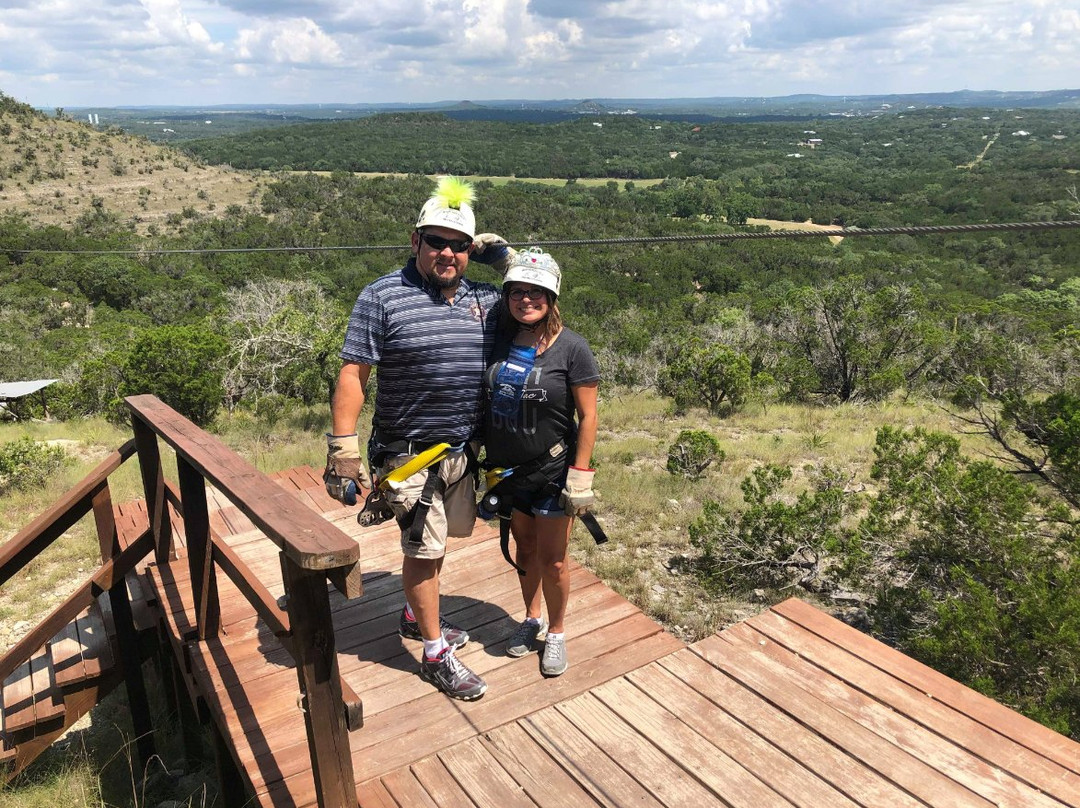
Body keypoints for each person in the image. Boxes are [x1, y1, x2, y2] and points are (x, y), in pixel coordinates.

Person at [324, 176, 512, 701]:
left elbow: (533, 312)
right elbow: (353, 374)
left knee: (439, 542)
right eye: (436, 241)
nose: (447, 252)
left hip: (461, 450)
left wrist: (511, 264)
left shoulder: (484, 299)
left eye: (459, 244)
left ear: (470, 251)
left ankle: (413, 614)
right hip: (409, 454)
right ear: (415, 242)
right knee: (425, 552)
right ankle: (434, 654)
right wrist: (343, 449)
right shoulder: (382, 296)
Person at [481, 247, 599, 677]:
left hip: (553, 470)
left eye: (537, 293)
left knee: (553, 560)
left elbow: (589, 416)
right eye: (517, 292)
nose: (526, 300)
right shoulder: (499, 337)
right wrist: (499, 259)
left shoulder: (572, 348)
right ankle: (530, 619)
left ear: (552, 298)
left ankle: (557, 631)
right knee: (524, 550)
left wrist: (580, 477)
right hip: (508, 472)